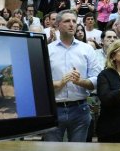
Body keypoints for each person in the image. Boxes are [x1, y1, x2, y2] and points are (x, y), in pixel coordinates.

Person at [44, 10, 102, 142]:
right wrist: (58, 83)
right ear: (58, 25)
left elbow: (97, 78)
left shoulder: (87, 49)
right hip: (53, 109)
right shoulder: (47, 49)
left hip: (80, 109)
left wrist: (80, 81)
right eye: (67, 21)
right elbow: (40, 81)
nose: (72, 24)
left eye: (74, 21)